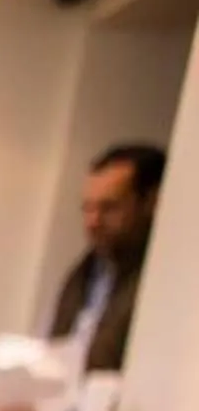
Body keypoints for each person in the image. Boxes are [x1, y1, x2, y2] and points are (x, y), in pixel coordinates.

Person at [48, 143, 164, 377]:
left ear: (151, 203)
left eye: (109, 208)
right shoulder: (83, 273)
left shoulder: (160, 279)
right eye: (87, 208)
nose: (93, 222)